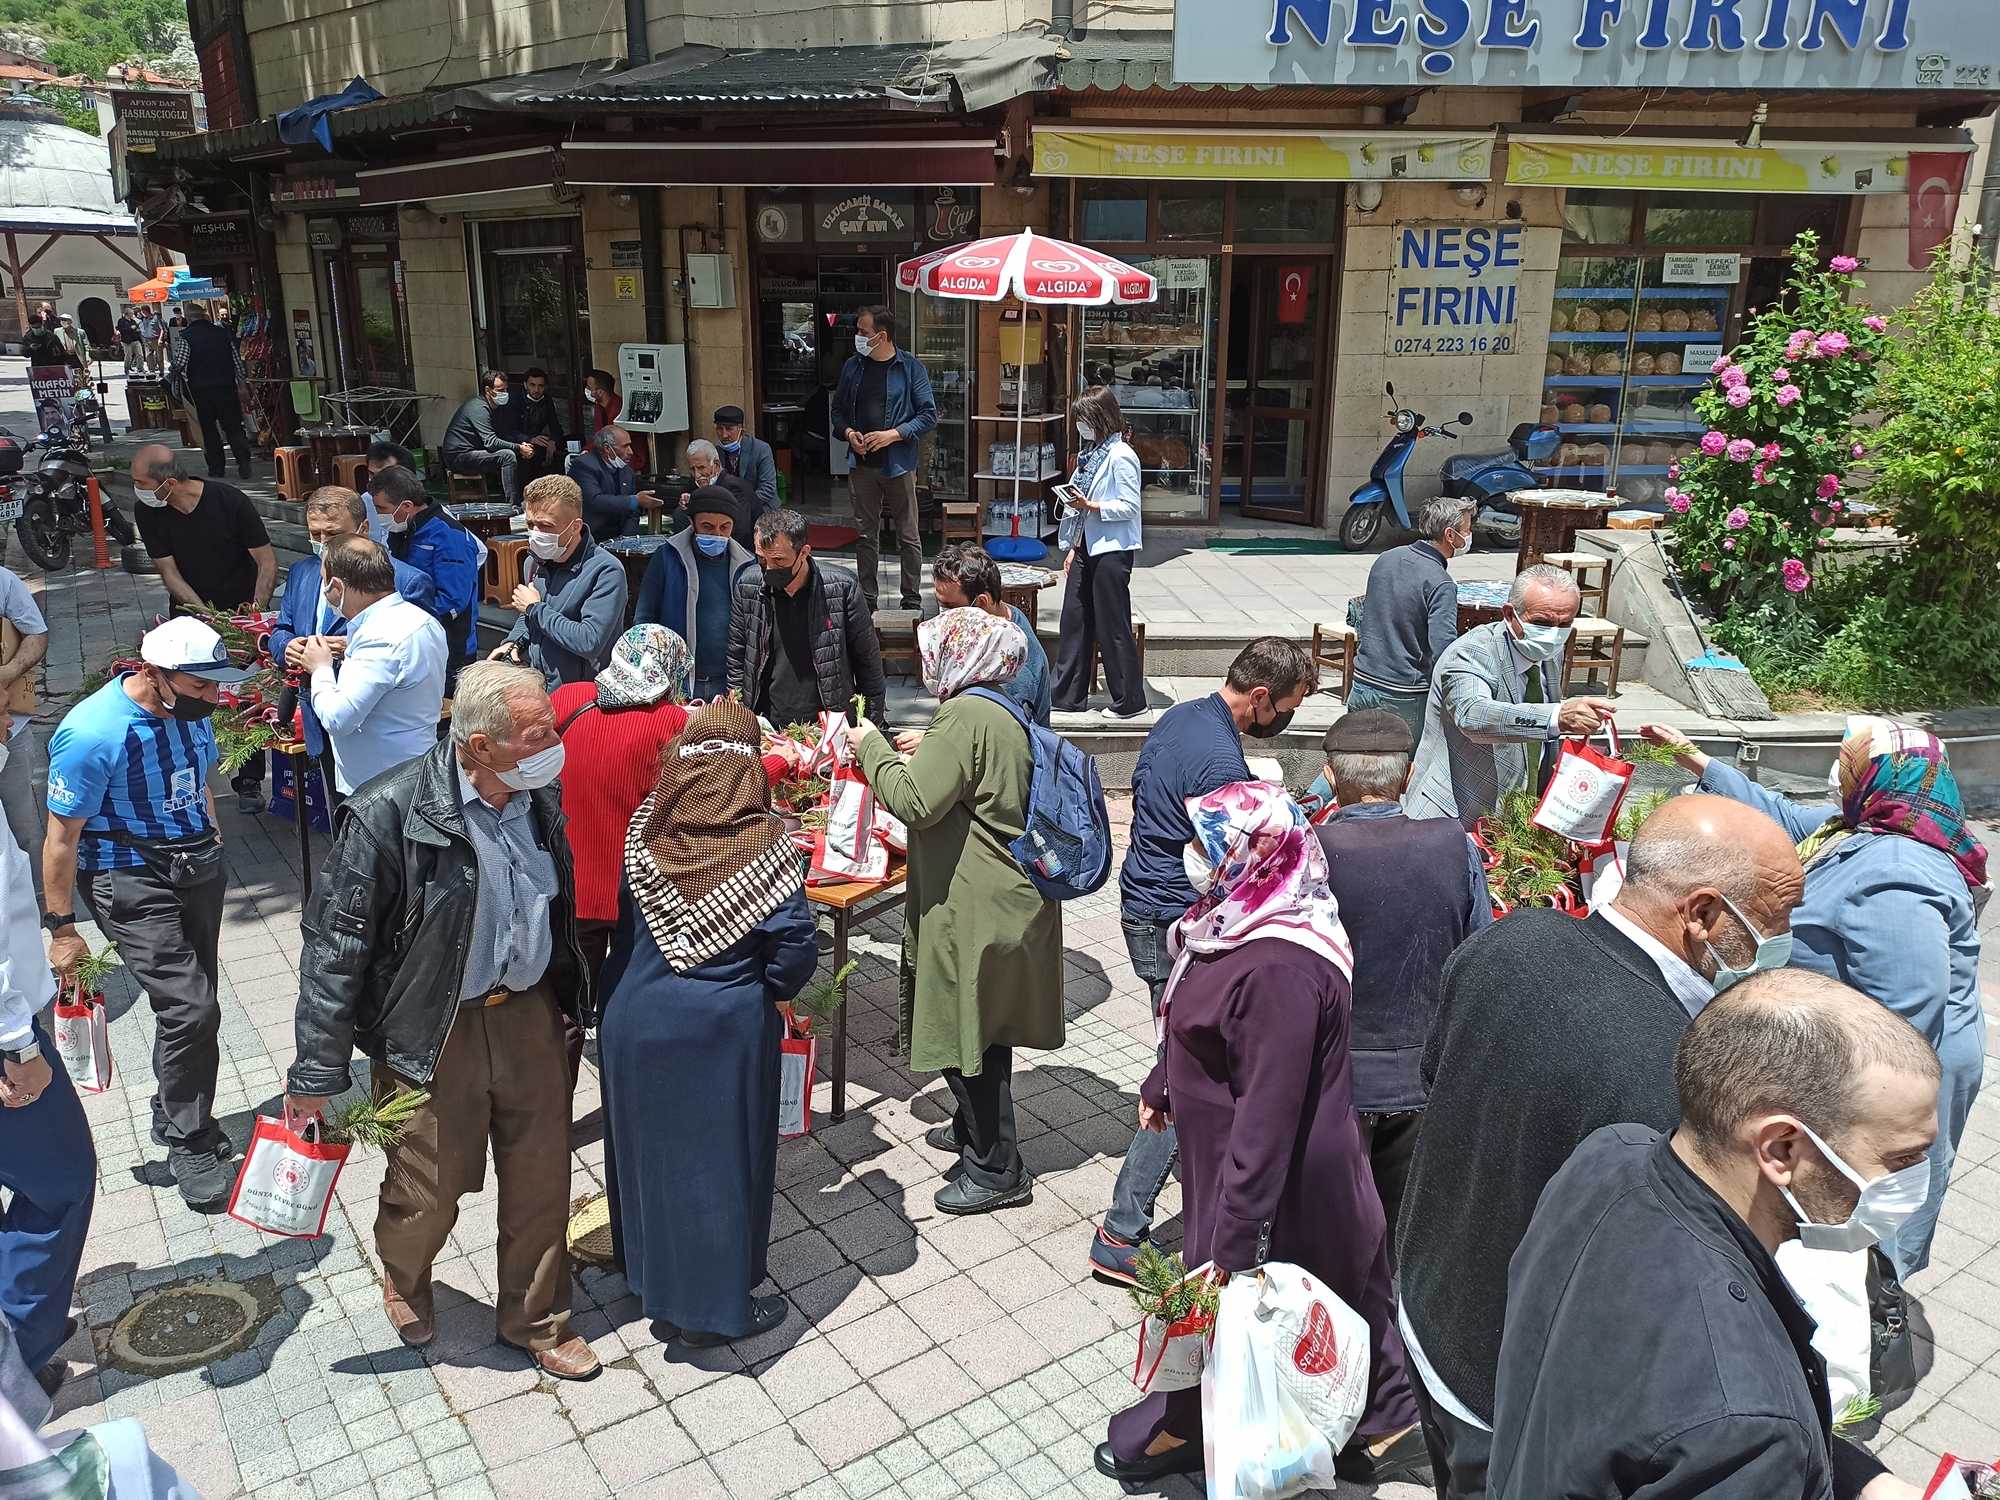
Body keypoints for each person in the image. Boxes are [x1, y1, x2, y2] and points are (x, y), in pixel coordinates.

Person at [1396, 794, 1807, 1500]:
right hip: (1504, 1386)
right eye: (1775, 922)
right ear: (1704, 915)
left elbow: (1439, 1080)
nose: (1785, 940)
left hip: (1425, 1300)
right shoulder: (1677, 1074)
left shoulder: (1510, 938)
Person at [1489, 970, 1934, 1500]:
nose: (1917, 1181)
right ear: (1780, 1150)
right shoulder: (1752, 1424)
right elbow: (1733, 1425)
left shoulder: (1609, 1153)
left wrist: (1861, 1480)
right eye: (1902, 1158)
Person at [1096, 783, 1426, 1489]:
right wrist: (1163, 1085)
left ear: (1252, 854)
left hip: (1281, 1175)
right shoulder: (1238, 915)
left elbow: (1268, 1112)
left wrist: (1234, 1240)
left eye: (1207, 844)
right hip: (1263, 1164)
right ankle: (1388, 1417)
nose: (1192, 857)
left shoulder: (1278, 962)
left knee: (1286, 1299)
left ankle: (1191, 1425)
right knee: (1341, 1286)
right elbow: (1198, 1017)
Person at [286, 661, 599, 1380]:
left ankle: (537, 1319)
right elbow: (336, 948)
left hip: (526, 1015)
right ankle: (404, 1271)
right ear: (479, 745)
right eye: (537, 732)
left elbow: (554, 907)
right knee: (428, 1188)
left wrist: (568, 1003)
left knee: (542, 1178)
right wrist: (315, 1071)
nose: (555, 740)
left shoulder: (535, 792)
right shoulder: (388, 812)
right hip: (431, 1028)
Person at [1643, 717, 1988, 1278]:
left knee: (1861, 1211)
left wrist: (1824, 1096)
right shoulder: (1856, 832)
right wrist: (1691, 758)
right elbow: (1779, 814)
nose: (1838, 775)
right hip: (1849, 1059)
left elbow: (1906, 1010)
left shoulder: (1897, 873)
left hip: (1880, 1077)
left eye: (1848, 763)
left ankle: (1869, 1311)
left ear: (1878, 777)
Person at [1086, 637, 1319, 1283]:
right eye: (1290, 706)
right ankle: (1121, 1232)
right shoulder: (1221, 761)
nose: (1289, 718)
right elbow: (1229, 867)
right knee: (1184, 1078)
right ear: (1263, 697)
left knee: (1189, 1068)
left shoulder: (1184, 715)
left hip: (1145, 905)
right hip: (1171, 923)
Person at [598, 698, 818, 1345]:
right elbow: (794, 953)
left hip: (634, 1019)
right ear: (749, 766)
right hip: (721, 1030)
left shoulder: (645, 827)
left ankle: (649, 1279)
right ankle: (715, 1312)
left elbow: (620, 925)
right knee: (721, 1167)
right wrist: (762, 991)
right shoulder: (769, 845)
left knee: (649, 1160)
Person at [843, 607, 1060, 1213]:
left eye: (932, 648)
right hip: (1001, 897)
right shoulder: (993, 705)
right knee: (983, 1031)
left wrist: (873, 749)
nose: (924, 660)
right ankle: (977, 1135)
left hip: (975, 904)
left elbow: (915, 801)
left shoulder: (964, 714)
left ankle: (997, 1170)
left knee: (970, 1033)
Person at [42, 617, 250, 1209]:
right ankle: (189, 1139)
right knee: (192, 1005)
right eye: (203, 687)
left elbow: (200, 779)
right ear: (154, 673)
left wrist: (210, 837)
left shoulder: (191, 712)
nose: (216, 698)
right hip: (126, 876)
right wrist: (62, 929)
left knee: (191, 1002)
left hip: (196, 868)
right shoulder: (93, 733)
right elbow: (60, 839)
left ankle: (172, 1107)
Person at [1314, 710, 1491, 1256]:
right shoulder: (1454, 844)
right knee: (1401, 1231)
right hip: (1422, 1074)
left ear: (1332, 777)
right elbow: (1475, 955)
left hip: (1332, 1078)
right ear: (1409, 775)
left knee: (1330, 1232)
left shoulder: (1308, 852)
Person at [1403, 563, 1616, 829]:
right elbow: (1473, 715)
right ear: (1509, 614)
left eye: (1565, 624)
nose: (1553, 633)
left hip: (1515, 818)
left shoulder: (1549, 652)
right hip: (1455, 816)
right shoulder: (1471, 653)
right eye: (1542, 623)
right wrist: (1557, 717)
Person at [0, 810, 95, 1401]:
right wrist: (16, 1042)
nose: (15, 719)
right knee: (61, 1182)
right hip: (6, 1037)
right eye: (8, 709)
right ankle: (18, 1358)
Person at [128, 444, 276, 814]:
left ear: (170, 482)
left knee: (243, 697)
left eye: (140, 482)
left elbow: (266, 561)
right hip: (190, 619)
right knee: (183, 697)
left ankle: (248, 781)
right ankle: (184, 777)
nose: (137, 489)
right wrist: (203, 617)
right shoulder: (149, 511)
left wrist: (250, 617)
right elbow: (169, 572)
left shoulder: (229, 502)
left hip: (242, 612)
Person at [267, 487, 437, 802]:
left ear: (363, 530)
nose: (322, 543)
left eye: (332, 535)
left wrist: (348, 648)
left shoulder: (406, 582)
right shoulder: (305, 572)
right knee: (341, 818)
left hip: (380, 748)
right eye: (314, 534)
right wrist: (287, 645)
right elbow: (282, 628)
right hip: (322, 725)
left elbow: (414, 653)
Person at [296, 536, 448, 798]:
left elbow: (337, 719)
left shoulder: (381, 637)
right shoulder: (419, 619)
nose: (323, 589)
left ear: (337, 585)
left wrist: (320, 668)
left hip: (382, 789)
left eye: (324, 580)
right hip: (405, 771)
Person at [729, 508, 886, 727]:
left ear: (803, 553)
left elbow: (867, 660)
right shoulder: (748, 586)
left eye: (779, 561)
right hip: (765, 723)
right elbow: (737, 657)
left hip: (828, 723)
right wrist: (737, 713)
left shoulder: (841, 588)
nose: (770, 569)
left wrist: (871, 724)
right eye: (762, 561)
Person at [1050, 386, 1147, 721]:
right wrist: (1074, 545)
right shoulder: (1091, 454)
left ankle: (1130, 700)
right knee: (1074, 620)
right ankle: (1065, 696)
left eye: (1085, 419)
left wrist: (1090, 505)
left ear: (1101, 418)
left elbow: (1130, 506)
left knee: (1112, 624)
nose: (1080, 426)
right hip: (1086, 546)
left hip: (1112, 550)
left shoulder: (1121, 455)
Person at [830, 305, 936, 612]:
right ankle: (867, 599)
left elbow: (928, 415)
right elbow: (836, 411)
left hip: (899, 464)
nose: (857, 337)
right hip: (860, 465)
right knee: (865, 535)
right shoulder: (853, 366)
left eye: (863, 332)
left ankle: (912, 600)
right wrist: (849, 433)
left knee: (908, 534)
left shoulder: (910, 368)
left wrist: (893, 434)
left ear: (882, 336)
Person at [893, 544, 1049, 749]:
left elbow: (999, 738)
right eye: (940, 605)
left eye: (950, 607)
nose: (943, 618)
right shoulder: (989, 627)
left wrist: (931, 742)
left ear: (981, 602)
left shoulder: (1011, 662)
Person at [1349, 496, 1473, 747]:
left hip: (1362, 681)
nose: (1469, 536)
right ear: (1450, 535)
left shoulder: (1386, 558)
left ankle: (1316, 789)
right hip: (1403, 695)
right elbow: (1443, 648)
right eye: (1467, 531)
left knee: (1350, 761)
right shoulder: (1441, 583)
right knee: (1399, 774)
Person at [494, 474, 628, 691]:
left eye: (546, 526)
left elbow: (590, 641)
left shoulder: (606, 570)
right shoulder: (533, 562)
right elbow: (529, 617)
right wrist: (514, 642)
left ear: (575, 526)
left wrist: (535, 608)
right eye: (530, 524)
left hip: (583, 698)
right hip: (539, 690)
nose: (536, 534)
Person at [632, 486, 756, 702]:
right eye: (707, 527)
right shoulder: (667, 558)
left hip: (729, 685)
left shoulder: (747, 564)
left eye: (725, 527)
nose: (717, 535)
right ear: (692, 523)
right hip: (677, 684)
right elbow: (644, 622)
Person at [373, 464, 483, 692]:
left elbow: (454, 601)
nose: (378, 515)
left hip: (449, 647)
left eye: (381, 508)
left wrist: (404, 621)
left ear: (406, 506)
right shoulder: (401, 529)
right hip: (408, 641)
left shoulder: (449, 536)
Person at [0, 565, 49, 888]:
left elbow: (36, 633)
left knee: (22, 828)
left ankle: (35, 905)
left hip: (10, 730)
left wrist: (8, 672)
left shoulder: (3, 580)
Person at [168, 303, 254, 480]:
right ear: (205, 317)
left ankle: (217, 468)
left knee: (208, 430)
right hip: (226, 387)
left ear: (189, 318)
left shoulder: (187, 336)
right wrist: (242, 382)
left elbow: (180, 363)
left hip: (201, 390)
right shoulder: (222, 334)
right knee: (233, 426)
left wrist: (173, 370)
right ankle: (243, 462)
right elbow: (236, 361)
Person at [442, 370, 531, 506]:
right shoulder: (479, 409)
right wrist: (518, 448)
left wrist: (524, 443)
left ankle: (525, 498)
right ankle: (513, 505)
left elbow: (505, 433)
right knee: (507, 455)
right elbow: (491, 442)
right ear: (488, 390)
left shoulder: (498, 409)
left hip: (475, 452)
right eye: (501, 390)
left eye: (506, 389)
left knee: (518, 454)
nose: (505, 393)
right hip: (459, 458)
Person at [573, 426, 662, 542]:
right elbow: (594, 501)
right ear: (607, 448)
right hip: (592, 536)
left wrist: (626, 540)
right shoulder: (583, 465)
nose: (630, 452)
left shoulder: (627, 472)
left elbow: (633, 513)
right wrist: (634, 500)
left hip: (619, 537)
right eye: (625, 446)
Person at [670, 439, 759, 537]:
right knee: (681, 513)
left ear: (716, 465)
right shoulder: (699, 485)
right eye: (692, 469)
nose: (696, 475)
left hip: (743, 548)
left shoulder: (733, 487)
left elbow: (741, 531)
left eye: (701, 468)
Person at [503, 366, 568, 486]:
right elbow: (509, 431)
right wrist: (529, 439)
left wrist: (553, 440)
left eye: (540, 386)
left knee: (571, 442)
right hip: (518, 441)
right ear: (525, 385)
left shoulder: (547, 400)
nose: (536, 390)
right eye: (532, 385)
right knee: (531, 453)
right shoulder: (514, 400)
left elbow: (556, 426)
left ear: (545, 387)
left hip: (538, 440)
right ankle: (526, 493)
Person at [712, 404, 778, 517]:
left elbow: (768, 488)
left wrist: (740, 505)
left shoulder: (761, 449)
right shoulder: (715, 452)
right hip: (726, 507)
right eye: (720, 428)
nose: (724, 435)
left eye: (729, 429)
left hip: (758, 505)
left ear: (741, 432)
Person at [584, 368, 645, 472]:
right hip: (611, 451)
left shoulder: (618, 407)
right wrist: (586, 450)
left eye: (589, 388)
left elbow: (612, 439)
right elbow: (598, 434)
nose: (586, 390)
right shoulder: (599, 407)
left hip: (629, 455)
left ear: (599, 392)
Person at [362, 440, 418, 543]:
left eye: (383, 475)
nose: (375, 481)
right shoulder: (366, 501)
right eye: (371, 474)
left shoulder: (434, 518)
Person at [116, 310, 144, 374]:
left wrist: (137, 330)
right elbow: (121, 329)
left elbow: (136, 327)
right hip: (127, 341)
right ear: (128, 314)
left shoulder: (133, 321)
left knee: (140, 355)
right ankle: (127, 368)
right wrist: (130, 328)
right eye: (132, 313)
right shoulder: (122, 321)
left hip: (136, 340)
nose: (133, 315)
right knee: (128, 356)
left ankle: (140, 368)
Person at [135, 305, 162, 372]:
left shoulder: (156, 318)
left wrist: (160, 339)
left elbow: (162, 329)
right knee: (148, 356)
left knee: (159, 358)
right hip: (146, 339)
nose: (143, 313)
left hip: (155, 339)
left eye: (143, 311)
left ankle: (161, 371)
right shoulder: (144, 319)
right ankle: (151, 371)